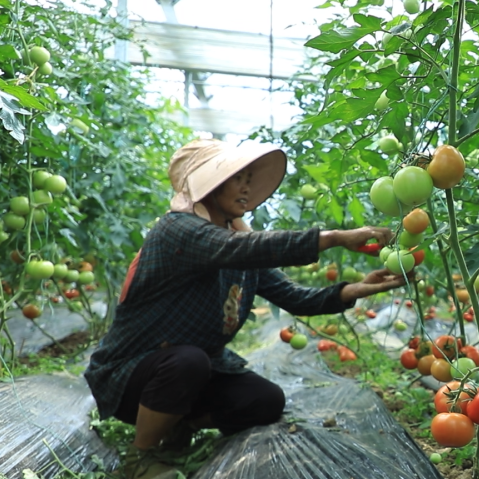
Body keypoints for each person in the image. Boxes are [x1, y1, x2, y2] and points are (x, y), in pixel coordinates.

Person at [83, 138, 408, 479]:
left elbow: (294, 297)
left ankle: (175, 426)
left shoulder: (236, 242)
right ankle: (139, 457)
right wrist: (335, 237)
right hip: (131, 375)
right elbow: (237, 249)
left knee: (264, 400)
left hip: (185, 376)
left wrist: (355, 289)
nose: (246, 186)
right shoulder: (177, 230)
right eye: (236, 177)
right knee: (188, 360)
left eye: (248, 178)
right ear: (207, 184)